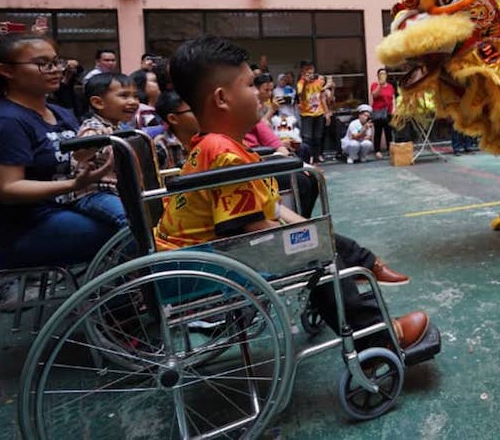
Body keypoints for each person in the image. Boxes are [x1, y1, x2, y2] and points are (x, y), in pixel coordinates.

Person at [156, 36, 422, 345]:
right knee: (311, 253)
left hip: (198, 257)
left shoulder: (219, 145)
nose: (260, 94)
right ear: (222, 98)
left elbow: (269, 211)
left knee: (314, 238)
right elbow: (253, 228)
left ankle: (362, 264)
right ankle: (378, 337)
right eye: (250, 85)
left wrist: (310, 231)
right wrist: (309, 243)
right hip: (201, 267)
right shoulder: (223, 152)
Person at [0, 32, 127, 267]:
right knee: (131, 229)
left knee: (147, 214)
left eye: (56, 62)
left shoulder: (60, 113)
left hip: (70, 206)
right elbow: (8, 188)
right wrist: (74, 185)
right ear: (6, 70)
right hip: (27, 228)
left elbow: (80, 158)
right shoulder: (4, 122)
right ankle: (126, 300)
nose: (56, 70)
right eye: (42, 64)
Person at [73, 73, 139, 200]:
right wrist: (100, 141)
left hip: (116, 191)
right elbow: (78, 154)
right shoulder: (93, 127)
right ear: (98, 103)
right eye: (124, 96)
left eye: (135, 96)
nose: (133, 102)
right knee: (128, 219)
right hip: (94, 192)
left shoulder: (119, 128)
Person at [153, 90, 195, 170]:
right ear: (173, 119)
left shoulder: (210, 137)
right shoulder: (161, 147)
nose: (199, 113)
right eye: (192, 110)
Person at [296, 61, 326, 164]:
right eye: (306, 69)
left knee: (318, 138)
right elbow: (302, 97)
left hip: (319, 113)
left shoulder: (318, 82)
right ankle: (306, 162)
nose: (309, 71)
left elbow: (322, 96)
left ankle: (316, 162)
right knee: (307, 139)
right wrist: (305, 83)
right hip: (306, 115)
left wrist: (326, 112)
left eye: (311, 69)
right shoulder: (300, 83)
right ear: (302, 71)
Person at [370, 68, 395, 159]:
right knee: (378, 132)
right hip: (378, 112)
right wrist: (380, 85)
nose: (382, 75)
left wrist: (394, 109)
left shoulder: (390, 86)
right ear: (378, 76)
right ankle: (377, 151)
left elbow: (392, 98)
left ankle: (390, 150)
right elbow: (374, 95)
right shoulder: (374, 85)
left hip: (388, 111)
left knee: (389, 132)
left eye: (384, 74)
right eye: (380, 74)